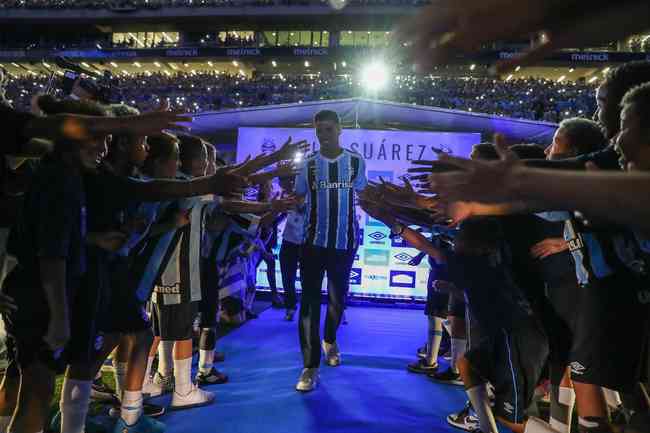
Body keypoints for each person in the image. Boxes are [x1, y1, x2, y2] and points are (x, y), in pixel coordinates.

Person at [293, 110, 367, 392]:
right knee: (309, 303)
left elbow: (364, 196)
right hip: (311, 244)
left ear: (339, 129)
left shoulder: (356, 162)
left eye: (327, 129)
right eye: (318, 130)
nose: (322, 135)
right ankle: (310, 367)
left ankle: (329, 339)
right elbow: (299, 198)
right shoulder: (308, 165)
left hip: (344, 244)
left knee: (337, 301)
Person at [278, 174, 304, 321]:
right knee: (288, 277)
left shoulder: (310, 193)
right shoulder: (284, 196)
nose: (283, 184)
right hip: (289, 241)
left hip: (307, 242)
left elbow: (302, 209)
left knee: (309, 279)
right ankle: (290, 307)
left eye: (285, 181)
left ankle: (308, 308)